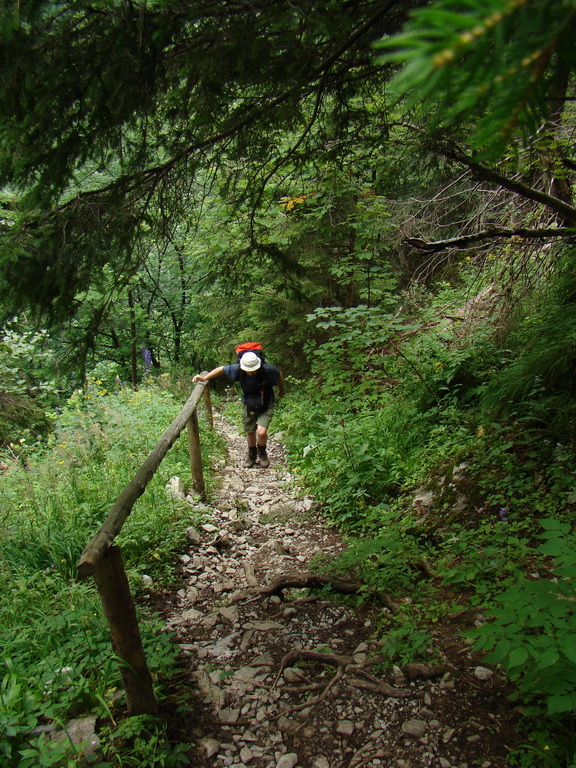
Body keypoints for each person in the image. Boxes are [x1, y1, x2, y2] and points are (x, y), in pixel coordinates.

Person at [192, 351, 285, 468]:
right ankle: (252, 455)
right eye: (248, 370)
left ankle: (262, 453)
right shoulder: (238, 369)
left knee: (261, 432)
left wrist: (282, 390)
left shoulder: (266, 369)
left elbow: (279, 375)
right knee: (250, 430)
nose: (250, 372)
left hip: (267, 403)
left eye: (253, 370)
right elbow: (221, 369)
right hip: (249, 403)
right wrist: (204, 377)